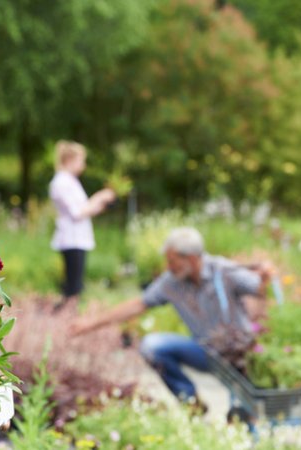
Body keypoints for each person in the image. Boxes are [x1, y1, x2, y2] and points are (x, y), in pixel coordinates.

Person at [70, 227, 272, 410]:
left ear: (192, 259)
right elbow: (138, 304)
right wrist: (90, 324)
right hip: (203, 350)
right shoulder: (172, 282)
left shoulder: (224, 271)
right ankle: (190, 401)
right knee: (152, 346)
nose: (168, 267)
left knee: (244, 410)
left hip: (238, 353)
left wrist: (266, 278)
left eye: (172, 261)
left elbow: (260, 289)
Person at [49, 140, 115, 312]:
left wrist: (104, 203)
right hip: (71, 237)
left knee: (75, 282)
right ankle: (67, 316)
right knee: (73, 285)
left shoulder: (70, 181)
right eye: (81, 161)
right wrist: (100, 197)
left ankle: (68, 313)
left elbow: (86, 209)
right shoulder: (61, 182)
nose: (83, 165)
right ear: (70, 160)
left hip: (77, 236)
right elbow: (77, 212)